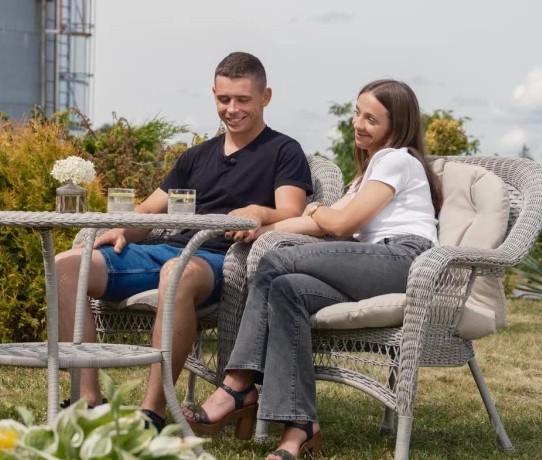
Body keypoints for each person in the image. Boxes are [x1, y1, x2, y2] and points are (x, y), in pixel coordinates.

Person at [53, 52, 314, 430]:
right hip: (166, 250)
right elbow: (149, 211)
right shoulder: (195, 157)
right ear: (214, 94)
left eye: (243, 100)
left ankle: (152, 414)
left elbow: (292, 212)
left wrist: (260, 212)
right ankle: (87, 403)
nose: (232, 109)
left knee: (176, 272)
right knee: (66, 266)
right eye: (224, 99)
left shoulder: (283, 151)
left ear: (265, 97)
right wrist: (124, 229)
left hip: (223, 260)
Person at [184, 79, 442, 460]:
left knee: (275, 263)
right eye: (357, 112)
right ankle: (301, 427)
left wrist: (316, 209)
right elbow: (322, 224)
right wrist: (258, 228)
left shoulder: (396, 159)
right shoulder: (367, 172)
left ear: (396, 125)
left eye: (371, 119)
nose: (358, 123)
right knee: (288, 288)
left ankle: (237, 385)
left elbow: (338, 224)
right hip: (371, 264)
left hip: (406, 261)